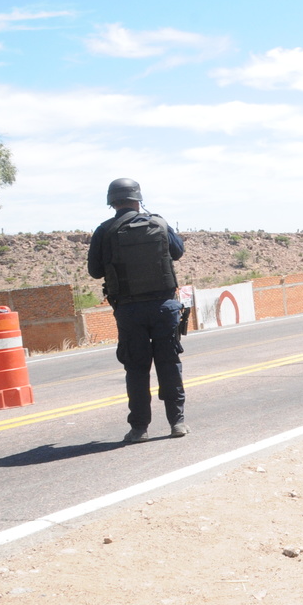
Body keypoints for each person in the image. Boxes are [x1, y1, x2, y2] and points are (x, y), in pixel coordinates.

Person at [87, 178, 188, 443]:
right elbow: (178, 252)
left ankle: (139, 429)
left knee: (136, 369)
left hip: (129, 310)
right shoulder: (159, 223)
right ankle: (177, 423)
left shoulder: (104, 231)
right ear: (138, 199)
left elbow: (95, 271)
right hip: (164, 307)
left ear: (112, 202)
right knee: (169, 365)